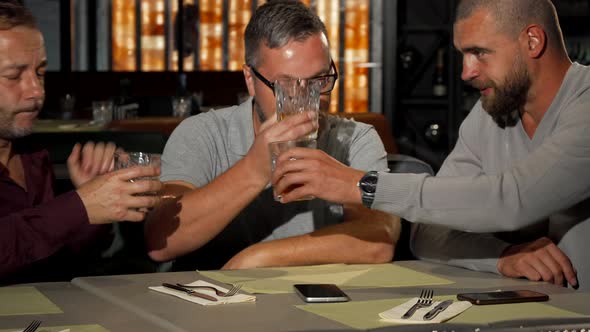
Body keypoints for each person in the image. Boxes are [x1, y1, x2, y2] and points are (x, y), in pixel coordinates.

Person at [272, 0, 590, 290]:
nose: (466, 72)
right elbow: (428, 232)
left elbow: (512, 198)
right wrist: (502, 256)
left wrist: (361, 186)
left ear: (532, 41)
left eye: (480, 52)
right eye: (463, 55)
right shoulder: (490, 113)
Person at [145, 0, 400, 270]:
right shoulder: (203, 133)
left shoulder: (354, 139)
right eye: (286, 85)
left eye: (320, 80)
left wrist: (256, 258)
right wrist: (255, 169)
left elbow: (378, 239)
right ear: (250, 79)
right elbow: (161, 241)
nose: (308, 100)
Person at [0, 1, 162, 283]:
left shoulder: (31, 154)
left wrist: (95, 202)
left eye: (39, 72)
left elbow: (61, 262)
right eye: (14, 76)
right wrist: (79, 206)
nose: (37, 91)